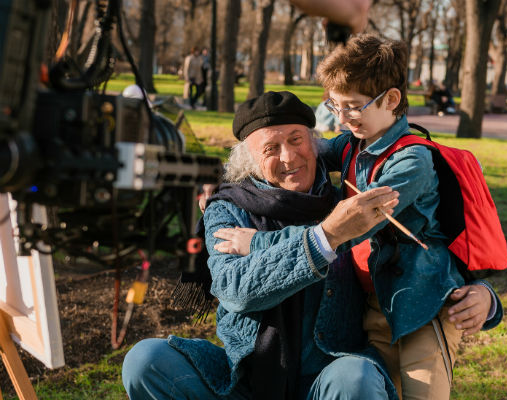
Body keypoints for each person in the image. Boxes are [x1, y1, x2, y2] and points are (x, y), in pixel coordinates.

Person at [223, 36, 503, 399]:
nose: (341, 118)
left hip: (426, 303)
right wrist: (226, 187)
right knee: (377, 390)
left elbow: (350, 228)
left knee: (422, 394)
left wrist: (258, 242)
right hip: (376, 302)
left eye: (352, 107)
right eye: (334, 106)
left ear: (391, 100)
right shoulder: (355, 142)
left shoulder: (411, 163)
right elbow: (296, 154)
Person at [122, 91, 403, 400]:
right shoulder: (226, 207)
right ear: (250, 161)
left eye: (296, 140)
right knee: (145, 360)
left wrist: (467, 284)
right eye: (270, 148)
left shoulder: (347, 204)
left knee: (357, 377)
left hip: (327, 378)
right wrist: (325, 238)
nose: (288, 157)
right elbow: (235, 288)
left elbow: (415, 243)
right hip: (245, 380)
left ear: (316, 143)